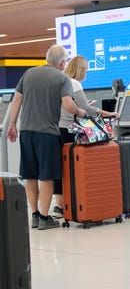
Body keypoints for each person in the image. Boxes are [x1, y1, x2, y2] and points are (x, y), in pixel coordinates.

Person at [7, 45, 87, 230]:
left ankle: (34, 215)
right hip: (47, 134)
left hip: (26, 132)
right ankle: (44, 217)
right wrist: (81, 112)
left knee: (30, 175)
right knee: (47, 177)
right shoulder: (62, 78)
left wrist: (12, 124)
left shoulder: (28, 74)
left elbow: (17, 100)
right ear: (61, 62)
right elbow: (68, 105)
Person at [53, 55, 119, 214]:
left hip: (58, 128)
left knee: (61, 167)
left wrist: (83, 106)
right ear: (80, 70)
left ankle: (60, 206)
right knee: (71, 167)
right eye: (86, 71)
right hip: (70, 130)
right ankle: (70, 204)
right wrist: (110, 114)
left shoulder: (61, 81)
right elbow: (86, 110)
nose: (86, 74)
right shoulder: (74, 83)